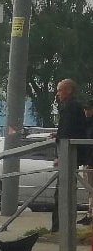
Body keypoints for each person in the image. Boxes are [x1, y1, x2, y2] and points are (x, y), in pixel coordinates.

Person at [53, 78, 86, 231]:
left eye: (60, 90)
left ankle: (60, 227)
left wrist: (61, 156)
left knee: (63, 194)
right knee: (63, 193)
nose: (57, 93)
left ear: (69, 91)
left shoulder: (71, 107)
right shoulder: (71, 106)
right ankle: (62, 226)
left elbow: (68, 132)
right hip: (70, 154)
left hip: (69, 156)